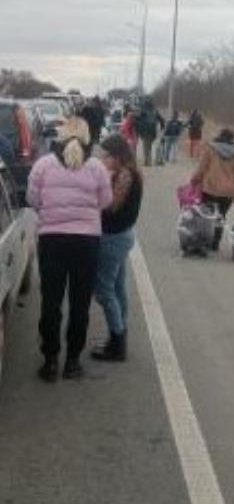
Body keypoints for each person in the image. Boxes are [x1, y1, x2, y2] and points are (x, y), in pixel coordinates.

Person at [27, 117, 113, 381]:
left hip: (52, 240)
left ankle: (50, 360)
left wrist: (53, 213)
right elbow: (105, 201)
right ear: (88, 138)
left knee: (51, 302)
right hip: (86, 242)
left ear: (61, 135)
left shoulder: (43, 164)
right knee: (80, 304)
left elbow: (33, 199)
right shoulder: (96, 167)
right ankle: (72, 362)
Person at [92, 134, 143, 362]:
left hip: (113, 238)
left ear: (117, 157)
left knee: (103, 292)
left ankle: (117, 341)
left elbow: (111, 206)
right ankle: (118, 337)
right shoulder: (130, 173)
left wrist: (104, 181)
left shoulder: (123, 175)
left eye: (106, 156)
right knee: (118, 288)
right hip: (122, 235)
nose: (103, 159)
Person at [190, 128, 234, 251]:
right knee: (221, 216)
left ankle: (205, 241)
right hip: (227, 193)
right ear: (232, 140)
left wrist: (194, 181)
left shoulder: (210, 150)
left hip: (210, 189)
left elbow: (201, 169)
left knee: (207, 215)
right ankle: (215, 243)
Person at [135, 101, 165, 167]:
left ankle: (147, 162)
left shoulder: (143, 111)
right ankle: (149, 161)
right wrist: (162, 128)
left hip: (145, 132)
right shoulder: (155, 111)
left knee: (146, 147)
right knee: (149, 147)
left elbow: (137, 119)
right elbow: (162, 120)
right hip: (153, 132)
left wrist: (138, 130)